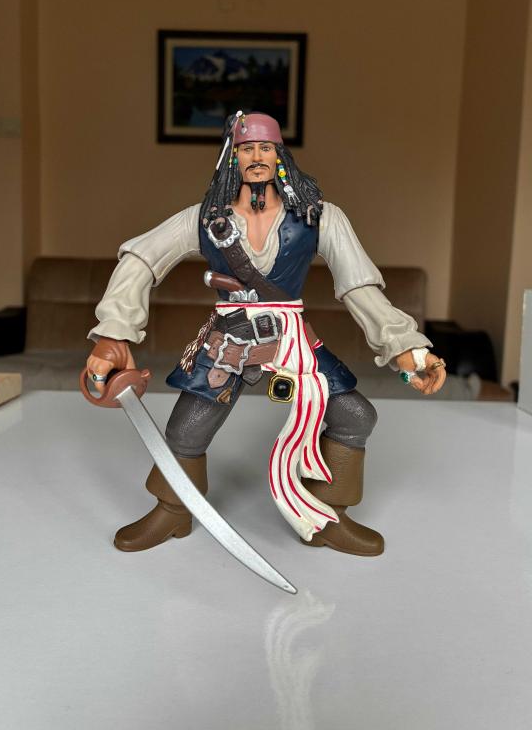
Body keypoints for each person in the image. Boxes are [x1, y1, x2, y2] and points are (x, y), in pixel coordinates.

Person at [86, 111, 446, 558]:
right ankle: (173, 510)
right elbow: (141, 257)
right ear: (232, 157)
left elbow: (359, 286)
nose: (256, 156)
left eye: (265, 147)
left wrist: (406, 349)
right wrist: (114, 334)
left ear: (279, 155)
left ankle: (327, 515)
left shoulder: (320, 217)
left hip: (292, 339)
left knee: (356, 417)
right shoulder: (203, 220)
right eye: (246, 148)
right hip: (230, 341)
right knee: (185, 431)